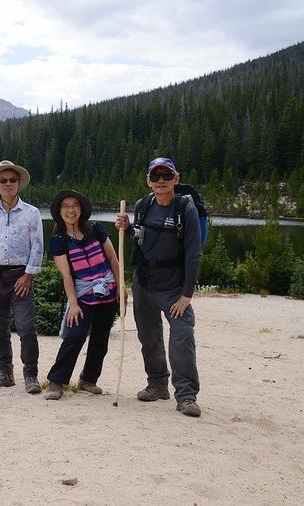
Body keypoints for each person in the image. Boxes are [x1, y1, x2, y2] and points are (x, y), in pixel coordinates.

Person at [115, 157, 202, 417]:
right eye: (156, 176)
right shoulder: (144, 205)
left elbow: (193, 254)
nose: (161, 180)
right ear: (148, 181)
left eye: (166, 175)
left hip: (174, 286)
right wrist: (128, 228)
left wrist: (187, 294)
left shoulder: (185, 210)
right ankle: (157, 385)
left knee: (182, 333)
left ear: (176, 178)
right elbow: (139, 238)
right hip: (144, 282)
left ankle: (186, 396)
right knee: (148, 335)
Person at [43, 190, 120, 401]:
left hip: (108, 291)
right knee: (74, 337)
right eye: (65, 206)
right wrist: (73, 304)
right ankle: (56, 381)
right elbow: (67, 276)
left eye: (74, 205)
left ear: (81, 209)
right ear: (59, 212)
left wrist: (121, 287)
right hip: (83, 295)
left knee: (100, 339)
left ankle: (88, 379)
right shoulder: (59, 239)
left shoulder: (96, 229)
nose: (70, 210)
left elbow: (113, 259)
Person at [0, 160, 44, 394]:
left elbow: (37, 246)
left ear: (18, 184)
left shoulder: (31, 213)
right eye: (3, 180)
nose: (7, 184)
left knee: (26, 327)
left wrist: (28, 275)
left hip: (20, 278)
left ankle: (31, 375)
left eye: (12, 180)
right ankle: (5, 373)